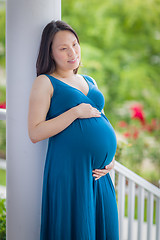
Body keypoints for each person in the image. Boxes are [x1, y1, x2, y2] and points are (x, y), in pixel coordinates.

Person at [28, 20, 119, 240]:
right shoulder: (45, 82)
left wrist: (111, 159)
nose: (72, 52)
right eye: (63, 48)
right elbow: (35, 132)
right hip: (70, 171)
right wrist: (75, 113)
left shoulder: (89, 80)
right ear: (50, 53)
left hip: (100, 174)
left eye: (75, 44)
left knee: (104, 229)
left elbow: (101, 118)